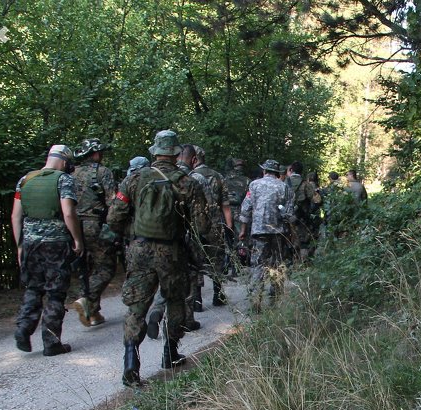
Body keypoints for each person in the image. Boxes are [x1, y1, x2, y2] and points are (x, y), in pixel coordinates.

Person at [108, 130, 207, 386]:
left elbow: (114, 218)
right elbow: (202, 225)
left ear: (154, 151)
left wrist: (132, 233)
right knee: (174, 301)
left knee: (136, 306)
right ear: (176, 154)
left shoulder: (133, 179)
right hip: (171, 252)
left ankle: (131, 361)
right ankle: (170, 353)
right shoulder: (187, 183)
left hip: (139, 249)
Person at [11, 145, 84, 356]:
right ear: (64, 162)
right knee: (55, 292)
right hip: (56, 244)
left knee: (33, 288)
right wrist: (77, 240)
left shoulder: (25, 179)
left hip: (31, 244)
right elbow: (68, 212)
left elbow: (16, 216)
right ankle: (51, 343)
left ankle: (23, 329)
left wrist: (20, 245)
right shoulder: (64, 180)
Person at [70, 138, 118, 327]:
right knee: (106, 267)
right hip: (95, 224)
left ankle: (93, 312)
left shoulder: (70, 174)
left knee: (86, 268)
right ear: (95, 154)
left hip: (74, 225)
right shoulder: (102, 172)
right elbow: (112, 201)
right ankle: (87, 299)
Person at [238, 159, 294, 310]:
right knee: (277, 265)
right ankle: (275, 302)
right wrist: (289, 232)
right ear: (277, 173)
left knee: (258, 265)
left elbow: (246, 208)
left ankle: (256, 302)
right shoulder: (284, 187)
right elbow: (288, 213)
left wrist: (243, 230)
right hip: (278, 232)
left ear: (264, 171)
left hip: (258, 232)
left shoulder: (254, 185)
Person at [192, 145, 232, 306]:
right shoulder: (218, 177)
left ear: (194, 159)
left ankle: (196, 298)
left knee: (195, 261)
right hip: (215, 224)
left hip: (195, 224)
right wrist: (229, 227)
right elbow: (226, 206)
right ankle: (218, 294)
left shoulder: (189, 176)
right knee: (218, 259)